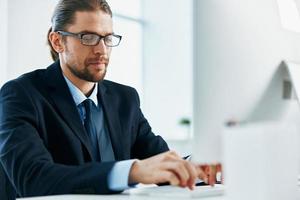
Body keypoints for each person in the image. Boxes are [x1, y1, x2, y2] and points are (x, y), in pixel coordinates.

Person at [0, 0, 219, 199]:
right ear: (58, 41)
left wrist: (198, 166)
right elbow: (33, 179)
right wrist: (131, 171)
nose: (102, 50)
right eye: (88, 37)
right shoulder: (21, 95)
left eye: (107, 38)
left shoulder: (125, 99)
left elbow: (159, 162)